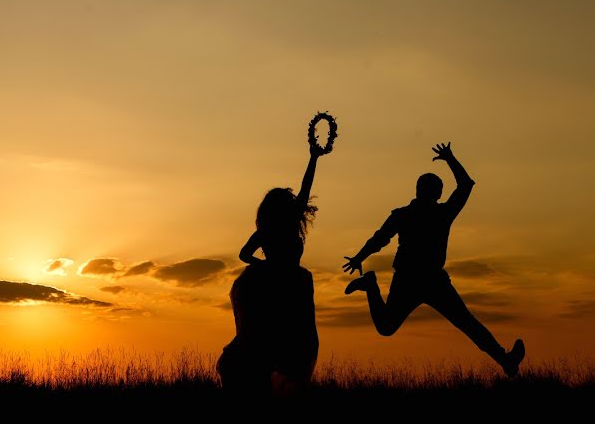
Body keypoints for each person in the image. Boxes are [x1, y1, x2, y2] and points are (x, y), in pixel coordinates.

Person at [342, 142, 526, 376]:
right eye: (437, 190)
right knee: (396, 327)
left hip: (431, 281)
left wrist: (360, 257)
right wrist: (450, 159)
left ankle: (506, 361)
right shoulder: (431, 214)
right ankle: (370, 286)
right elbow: (465, 185)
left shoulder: (424, 214)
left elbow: (380, 239)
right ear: (436, 193)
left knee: (462, 323)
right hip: (411, 280)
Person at [218, 139, 325, 395]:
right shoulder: (280, 227)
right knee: (292, 336)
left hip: (268, 277)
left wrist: (262, 265)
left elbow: (245, 254)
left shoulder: (266, 229)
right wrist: (314, 158)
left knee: (260, 336)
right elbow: (305, 188)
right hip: (286, 279)